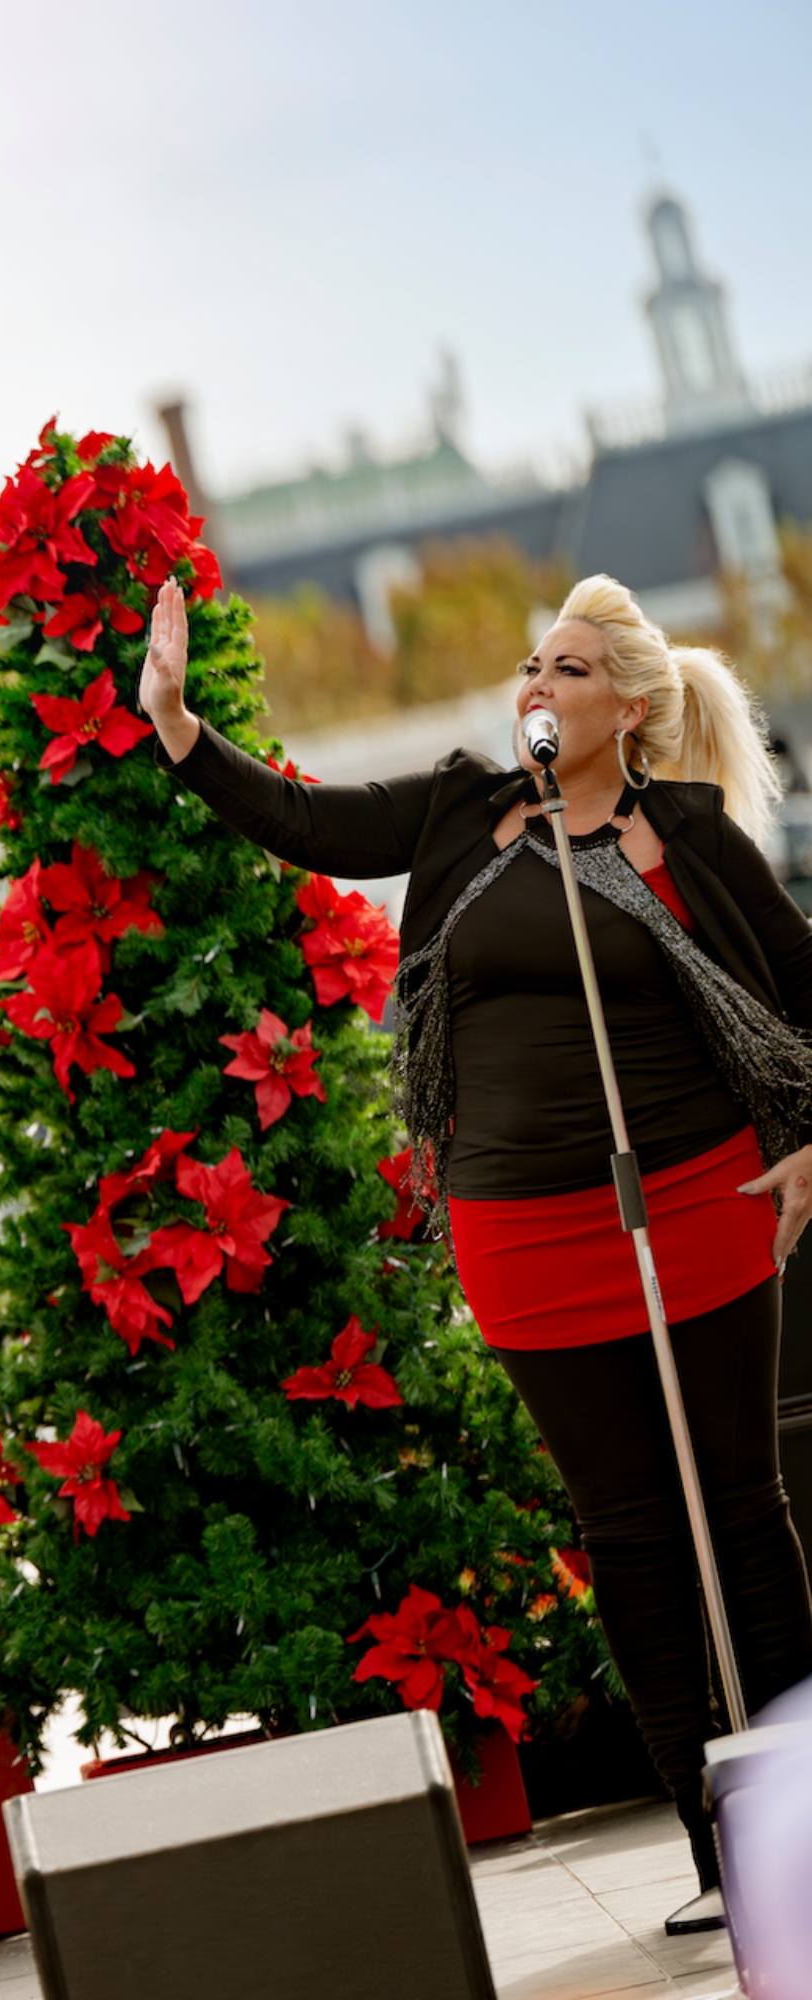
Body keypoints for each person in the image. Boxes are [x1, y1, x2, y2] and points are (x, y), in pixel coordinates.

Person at [139, 571, 812, 1896]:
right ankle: (718, 1850)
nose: (536, 687)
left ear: (628, 710)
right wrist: (177, 725)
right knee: (627, 1530)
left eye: (568, 669)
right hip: (525, 1233)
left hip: (696, 1199)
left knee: (741, 1509)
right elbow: (307, 820)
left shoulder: (687, 836)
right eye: (531, 667)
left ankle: (800, 1830)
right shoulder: (463, 809)